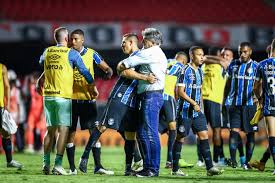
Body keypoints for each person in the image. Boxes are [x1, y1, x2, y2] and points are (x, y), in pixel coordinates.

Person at [78, 33, 156, 175]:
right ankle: (84, 157)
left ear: (132, 43)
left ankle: (128, 169)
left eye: (124, 43)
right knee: (103, 126)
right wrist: (145, 77)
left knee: (130, 135)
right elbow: (125, 72)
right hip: (120, 97)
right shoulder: (133, 58)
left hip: (131, 102)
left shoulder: (140, 56)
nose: (122, 45)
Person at [37, 27, 96, 175]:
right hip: (63, 96)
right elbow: (84, 71)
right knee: (63, 129)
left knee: (50, 130)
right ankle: (57, 164)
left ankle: (45, 163)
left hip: (48, 95)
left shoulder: (47, 51)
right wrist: (92, 86)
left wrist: (40, 81)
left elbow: (42, 63)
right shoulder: (72, 53)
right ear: (66, 37)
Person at [117, 28, 167, 177]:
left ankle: (152, 169)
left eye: (144, 40)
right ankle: (148, 167)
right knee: (142, 132)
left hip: (151, 95)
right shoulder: (158, 53)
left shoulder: (149, 52)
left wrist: (124, 68)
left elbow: (122, 65)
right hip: (151, 95)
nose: (142, 42)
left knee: (150, 133)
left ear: (151, 42)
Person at [66, 29, 113, 175]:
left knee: (94, 131)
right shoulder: (66, 54)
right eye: (71, 39)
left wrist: (108, 73)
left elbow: (106, 68)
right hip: (71, 99)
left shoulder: (92, 53)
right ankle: (72, 168)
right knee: (71, 133)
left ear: (82, 40)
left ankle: (98, 166)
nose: (72, 42)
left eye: (75, 39)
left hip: (88, 99)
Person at [171, 46, 223, 176]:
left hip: (197, 111)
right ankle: (175, 169)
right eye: (199, 55)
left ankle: (210, 168)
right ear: (192, 56)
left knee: (204, 135)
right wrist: (194, 103)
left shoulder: (200, 71)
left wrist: (201, 108)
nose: (202, 57)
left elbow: (199, 91)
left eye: (203, 54)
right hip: (184, 111)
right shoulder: (184, 70)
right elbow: (180, 92)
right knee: (180, 137)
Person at [224, 42, 258, 169]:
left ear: (250, 52)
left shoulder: (256, 66)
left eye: (245, 52)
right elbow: (228, 83)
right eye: (240, 52)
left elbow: (261, 85)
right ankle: (233, 161)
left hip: (250, 106)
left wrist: (258, 98)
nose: (242, 54)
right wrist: (225, 99)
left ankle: (246, 163)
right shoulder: (233, 65)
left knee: (250, 134)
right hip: (234, 105)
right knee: (234, 132)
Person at [158, 51, 193, 169]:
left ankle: (152, 159)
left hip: (156, 96)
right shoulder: (180, 66)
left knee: (157, 129)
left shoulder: (165, 61)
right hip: (168, 98)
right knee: (173, 128)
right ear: (183, 61)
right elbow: (176, 85)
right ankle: (170, 160)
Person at [201, 47, 230, 166]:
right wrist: (218, 59)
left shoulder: (205, 66)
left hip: (206, 100)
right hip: (212, 100)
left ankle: (204, 159)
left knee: (204, 131)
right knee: (214, 130)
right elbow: (222, 61)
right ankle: (215, 160)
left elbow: (206, 58)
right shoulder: (218, 66)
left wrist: (209, 58)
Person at [253, 39, 275, 175]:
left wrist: (260, 98)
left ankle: (262, 162)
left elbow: (255, 87)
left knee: (273, 136)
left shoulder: (262, 64)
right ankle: (262, 162)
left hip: (269, 103)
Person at [0, 63, 23, 169]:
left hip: (0, 106)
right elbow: (7, 87)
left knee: (6, 133)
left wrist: (7, 104)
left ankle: (9, 161)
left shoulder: (2, 68)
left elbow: (7, 86)